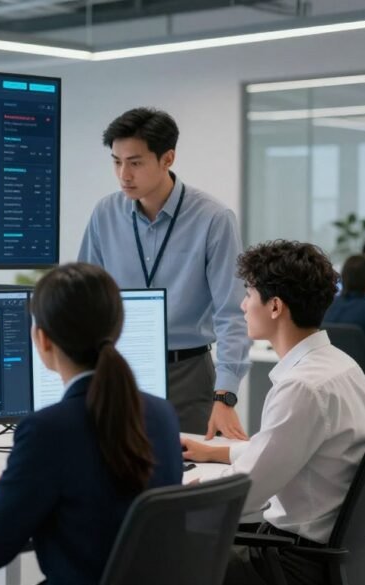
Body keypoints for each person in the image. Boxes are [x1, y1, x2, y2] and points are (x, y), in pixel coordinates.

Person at [0, 262, 182, 584]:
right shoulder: (162, 414)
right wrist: (26, 479)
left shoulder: (47, 431)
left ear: (42, 339)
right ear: (116, 330)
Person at [181, 240, 365, 585]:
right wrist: (217, 452)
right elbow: (285, 447)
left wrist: (177, 490)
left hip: (292, 562)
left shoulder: (302, 386)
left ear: (274, 307)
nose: (243, 306)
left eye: (249, 294)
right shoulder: (340, 366)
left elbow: (244, 493)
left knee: (166, 554)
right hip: (329, 553)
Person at [79, 107, 250, 440]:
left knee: (188, 477)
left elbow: (232, 313)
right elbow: (86, 298)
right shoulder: (105, 213)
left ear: (167, 158)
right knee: (111, 471)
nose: (123, 175)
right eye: (116, 161)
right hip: (120, 369)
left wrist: (225, 394)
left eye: (135, 162)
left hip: (187, 373)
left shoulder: (213, 218)